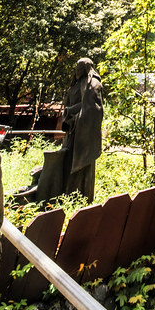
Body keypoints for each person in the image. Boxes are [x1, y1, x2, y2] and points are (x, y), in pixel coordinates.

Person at [59, 57, 103, 202]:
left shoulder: (94, 84)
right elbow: (69, 104)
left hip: (82, 133)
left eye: (80, 68)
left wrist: (71, 111)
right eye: (76, 68)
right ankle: (66, 195)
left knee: (81, 167)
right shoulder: (75, 85)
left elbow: (92, 108)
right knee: (66, 163)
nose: (77, 71)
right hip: (72, 131)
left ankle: (81, 197)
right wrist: (67, 115)